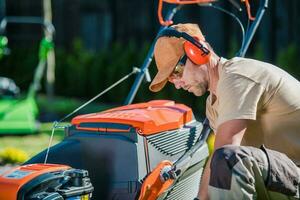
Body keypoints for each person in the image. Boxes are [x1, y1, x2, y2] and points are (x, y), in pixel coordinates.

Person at [149, 23, 300, 200]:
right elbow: (216, 161)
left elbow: (226, 154)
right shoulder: (213, 104)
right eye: (170, 79)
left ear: (198, 51)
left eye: (176, 71)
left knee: (228, 159)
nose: (176, 83)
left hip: (291, 175)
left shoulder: (237, 76)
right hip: (281, 176)